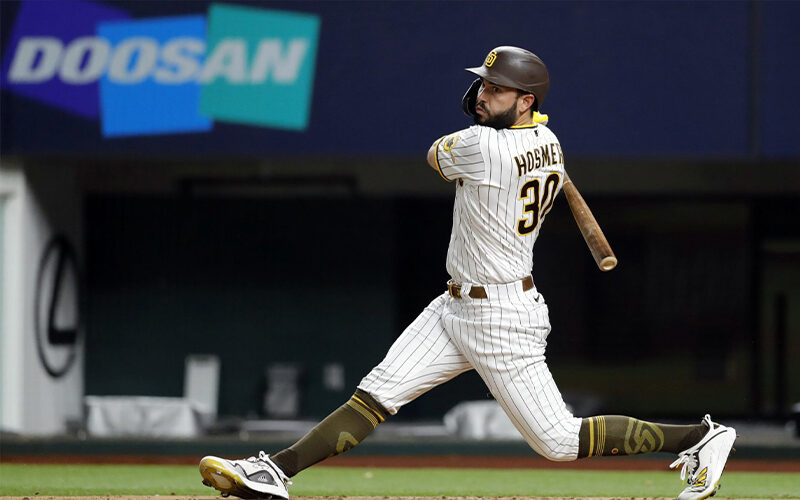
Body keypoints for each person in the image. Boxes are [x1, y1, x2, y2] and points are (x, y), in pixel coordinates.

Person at [199, 46, 737, 500]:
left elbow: (435, 155)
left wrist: (491, 126)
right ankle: (276, 473)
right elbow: (517, 138)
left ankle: (699, 436)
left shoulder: (483, 145)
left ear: (527, 101)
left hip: (502, 316)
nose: (482, 95)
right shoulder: (547, 143)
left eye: (497, 90)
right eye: (484, 85)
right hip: (455, 306)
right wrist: (515, 121)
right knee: (376, 394)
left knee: (558, 441)